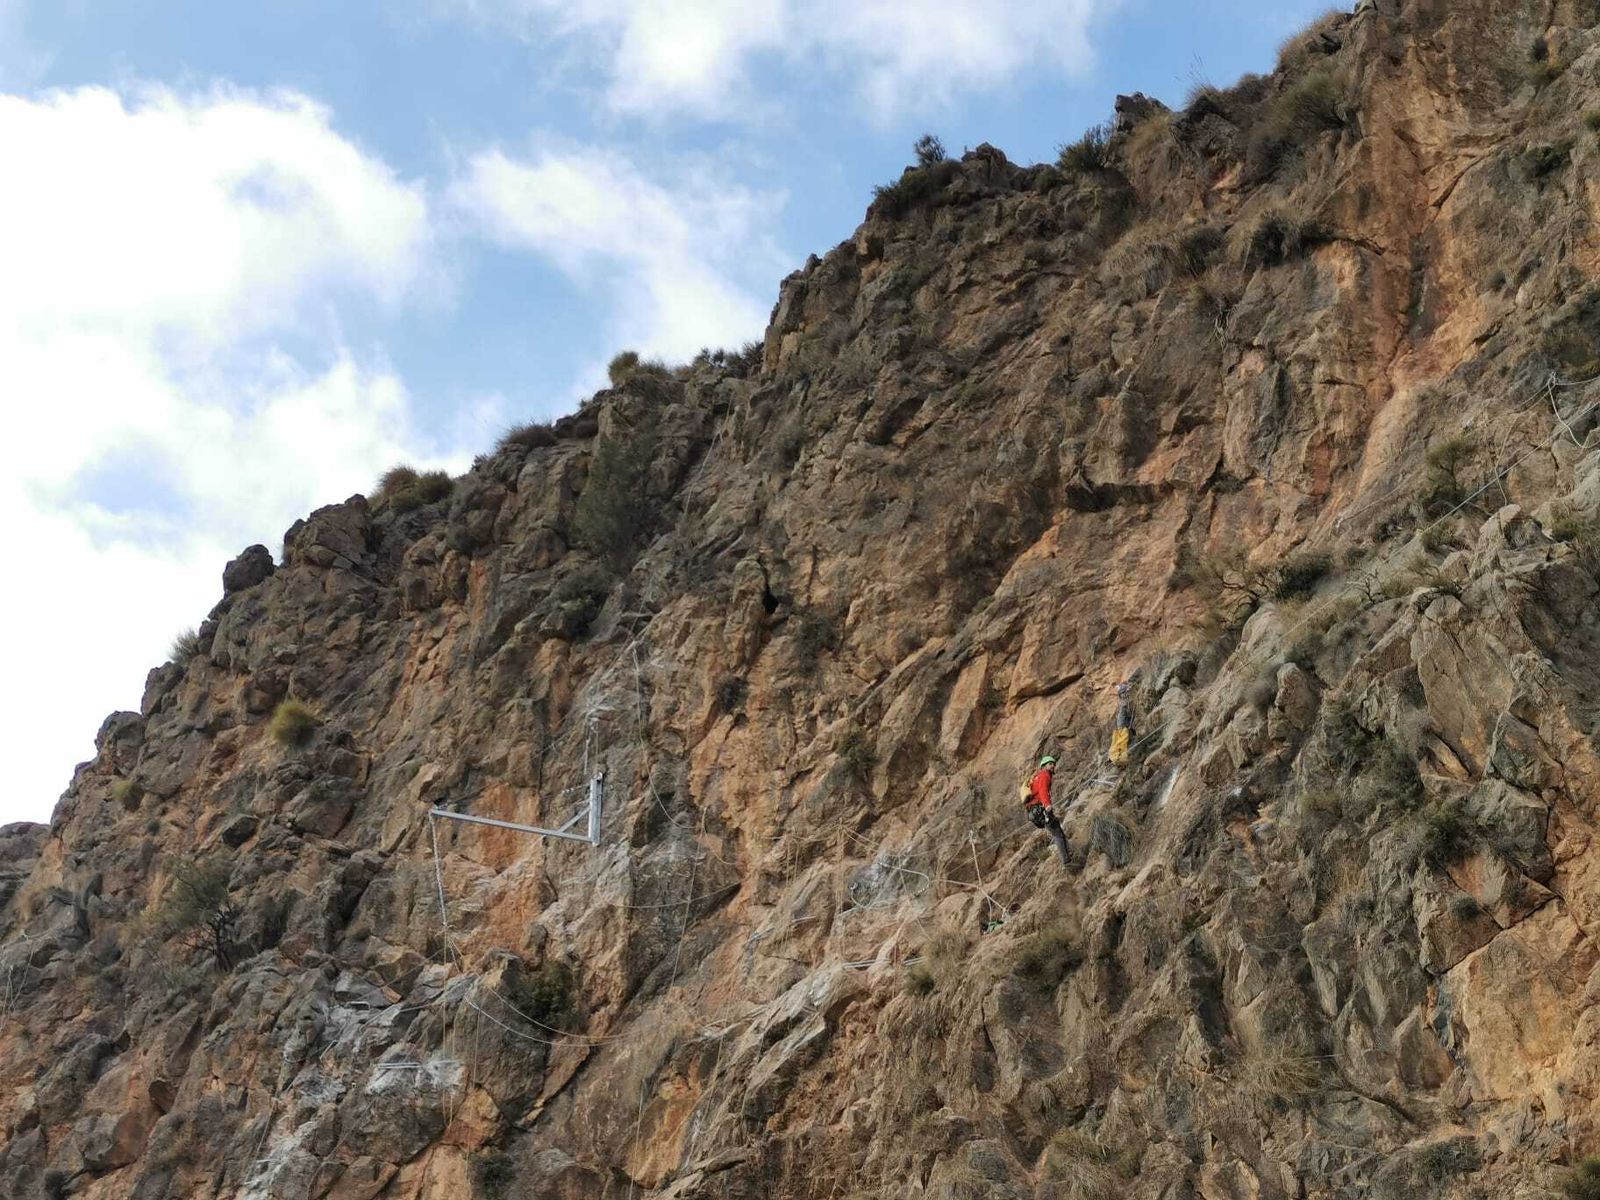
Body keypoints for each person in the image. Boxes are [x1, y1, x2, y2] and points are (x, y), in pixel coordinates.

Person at [1021, 755, 1072, 868]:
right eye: (1050, 764)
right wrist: (1047, 805)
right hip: (1041, 808)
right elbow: (1043, 791)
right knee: (1057, 832)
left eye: (1053, 764)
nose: (1053, 766)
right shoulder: (1044, 775)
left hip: (1034, 811)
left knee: (1056, 829)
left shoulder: (1037, 776)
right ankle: (1066, 859)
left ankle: (1068, 854)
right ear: (1044, 766)